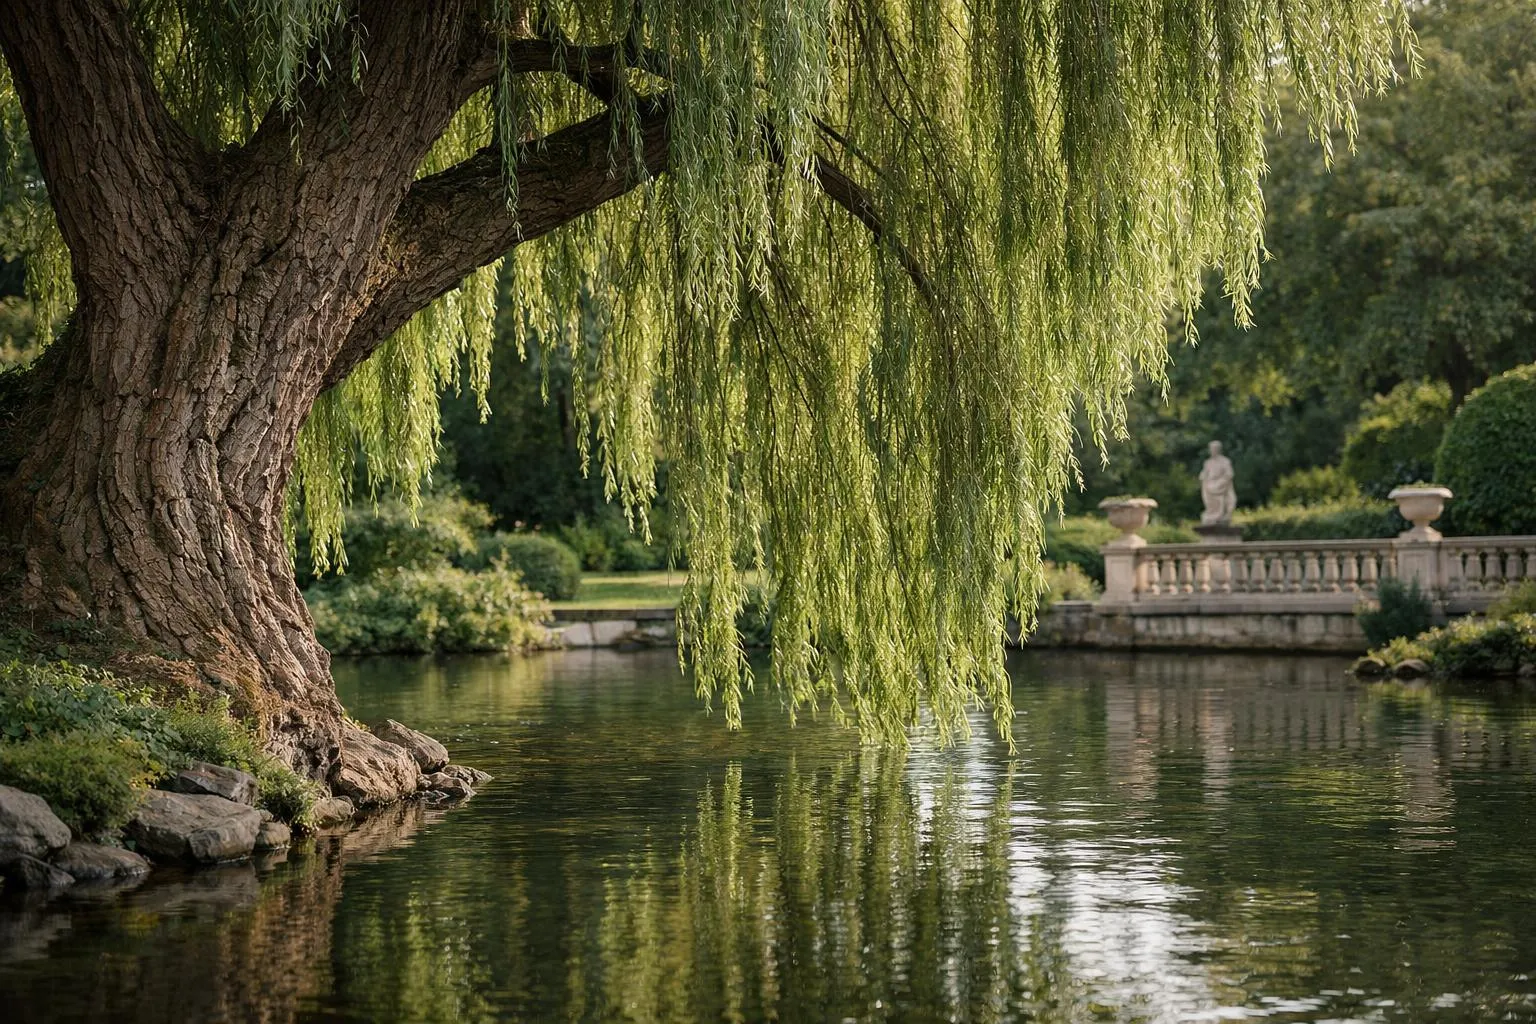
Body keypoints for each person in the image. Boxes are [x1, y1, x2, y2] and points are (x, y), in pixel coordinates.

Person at [1199, 441, 1237, 525]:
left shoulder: (1225, 461)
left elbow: (1229, 474)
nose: (1212, 450)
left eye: (1214, 449)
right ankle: (1211, 512)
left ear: (1218, 450)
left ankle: (1220, 514)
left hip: (1221, 483)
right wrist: (1203, 477)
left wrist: (1221, 482)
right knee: (1207, 488)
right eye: (1211, 449)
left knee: (1217, 488)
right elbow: (1204, 473)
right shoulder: (1208, 462)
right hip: (1209, 483)